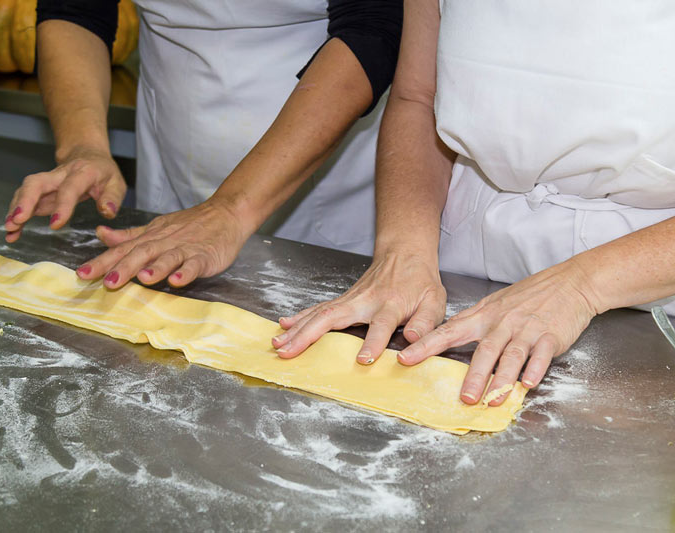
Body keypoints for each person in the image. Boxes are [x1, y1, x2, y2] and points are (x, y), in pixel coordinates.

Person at [273, 0, 675, 406]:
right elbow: (417, 96)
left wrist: (581, 286)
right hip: (464, 267)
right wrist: (405, 252)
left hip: (650, 276)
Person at [5, 1, 401, 290]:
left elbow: (374, 28)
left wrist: (231, 208)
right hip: (175, 151)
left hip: (326, 155)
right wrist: (82, 145)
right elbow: (78, 10)